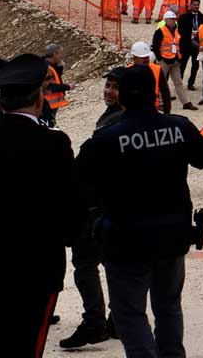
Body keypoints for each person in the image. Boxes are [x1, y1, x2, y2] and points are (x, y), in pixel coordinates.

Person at [77, 64, 203, 358]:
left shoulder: (106, 138)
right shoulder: (179, 126)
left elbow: (79, 180)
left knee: (129, 313)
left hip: (126, 239)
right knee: (168, 307)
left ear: (122, 97)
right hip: (172, 234)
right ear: (155, 94)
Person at [0, 54, 84, 358]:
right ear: (39, 99)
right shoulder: (55, 144)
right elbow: (72, 212)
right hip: (38, 267)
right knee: (27, 345)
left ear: (1, 101)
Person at [60, 65, 125, 350]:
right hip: (116, 207)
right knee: (115, 263)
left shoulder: (116, 124)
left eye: (114, 86)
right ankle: (118, 318)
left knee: (85, 263)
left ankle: (95, 321)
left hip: (101, 207)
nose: (108, 91)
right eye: (107, 85)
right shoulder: (121, 118)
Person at [152, 11, 198, 112]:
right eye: (172, 19)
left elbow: (179, 43)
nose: (174, 21)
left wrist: (179, 57)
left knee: (178, 82)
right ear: (166, 20)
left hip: (175, 60)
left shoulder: (177, 30)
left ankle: (186, 103)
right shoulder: (160, 31)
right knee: (161, 82)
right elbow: (155, 46)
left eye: (174, 19)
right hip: (164, 60)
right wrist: (159, 59)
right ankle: (160, 103)